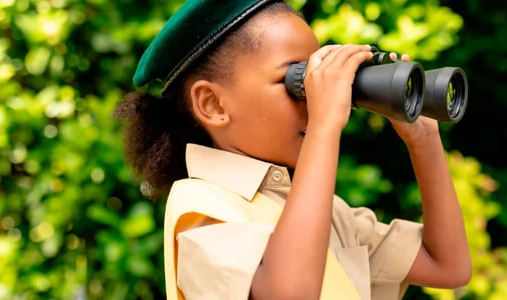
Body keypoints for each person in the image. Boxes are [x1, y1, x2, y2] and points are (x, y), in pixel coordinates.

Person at [114, 0, 472, 299]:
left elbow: (447, 266)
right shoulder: (198, 205)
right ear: (213, 105)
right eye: (297, 81)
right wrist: (323, 126)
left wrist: (423, 140)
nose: (315, 100)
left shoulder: (324, 212)